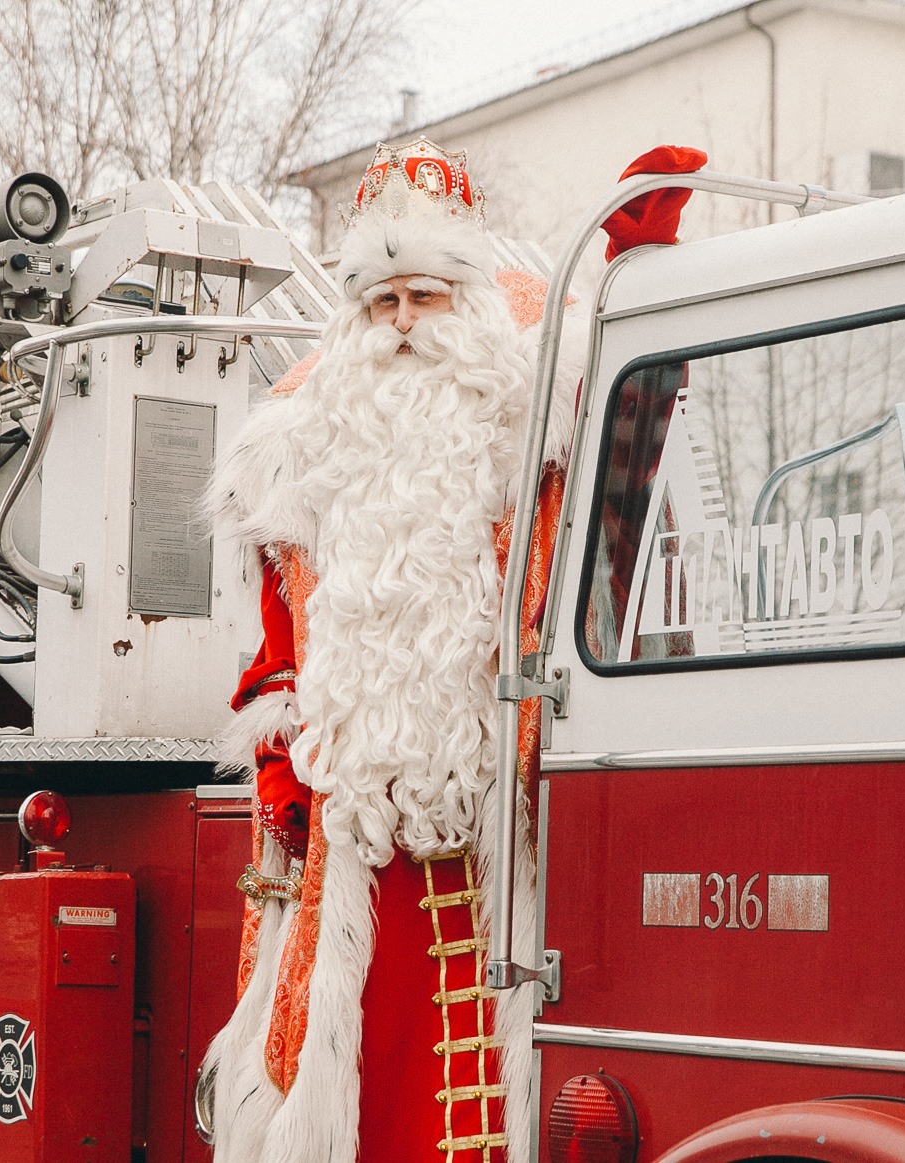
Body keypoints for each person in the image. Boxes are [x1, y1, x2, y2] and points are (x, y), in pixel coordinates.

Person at [198, 137, 582, 1163]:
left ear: (464, 299)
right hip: (352, 827)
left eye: (424, 296)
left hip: (501, 829)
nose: (405, 325)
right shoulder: (308, 452)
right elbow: (275, 649)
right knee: (349, 1094)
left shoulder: (526, 427)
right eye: (383, 304)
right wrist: (279, 751)